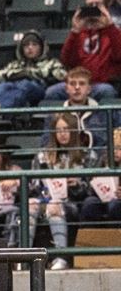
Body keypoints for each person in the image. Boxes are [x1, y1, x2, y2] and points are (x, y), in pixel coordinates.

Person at [29, 111, 97, 271]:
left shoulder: (87, 156)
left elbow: (93, 189)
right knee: (30, 206)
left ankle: (61, 258)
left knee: (55, 207)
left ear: (74, 131)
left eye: (66, 129)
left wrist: (76, 185)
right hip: (46, 200)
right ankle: (23, 259)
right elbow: (33, 185)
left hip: (73, 203)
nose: (62, 134)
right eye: (58, 130)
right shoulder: (43, 156)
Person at [42, 0, 121, 105]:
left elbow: (119, 55)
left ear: (105, 9)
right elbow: (66, 60)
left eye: (97, 5)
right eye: (89, 6)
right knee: (52, 92)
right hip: (77, 82)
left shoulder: (112, 33)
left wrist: (109, 25)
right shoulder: (78, 34)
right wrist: (75, 30)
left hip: (101, 84)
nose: (93, 9)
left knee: (106, 91)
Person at [0, 30, 67, 110]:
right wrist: (15, 74)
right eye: (26, 45)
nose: (30, 48)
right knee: (2, 86)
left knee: (25, 84)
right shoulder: (15, 64)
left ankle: (3, 110)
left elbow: (62, 76)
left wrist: (29, 73)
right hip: (15, 86)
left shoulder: (51, 63)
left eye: (34, 45)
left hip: (39, 89)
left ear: (41, 47)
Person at [39, 66, 107, 150]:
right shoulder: (54, 115)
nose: (77, 87)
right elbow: (46, 142)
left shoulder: (105, 113)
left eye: (82, 83)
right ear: (66, 89)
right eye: (72, 84)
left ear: (89, 89)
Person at [81, 125, 121, 225]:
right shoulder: (102, 159)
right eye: (113, 147)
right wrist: (96, 184)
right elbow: (90, 187)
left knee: (115, 205)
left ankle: (114, 234)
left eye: (119, 148)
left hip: (117, 201)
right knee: (90, 202)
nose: (115, 151)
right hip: (101, 198)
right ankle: (91, 234)